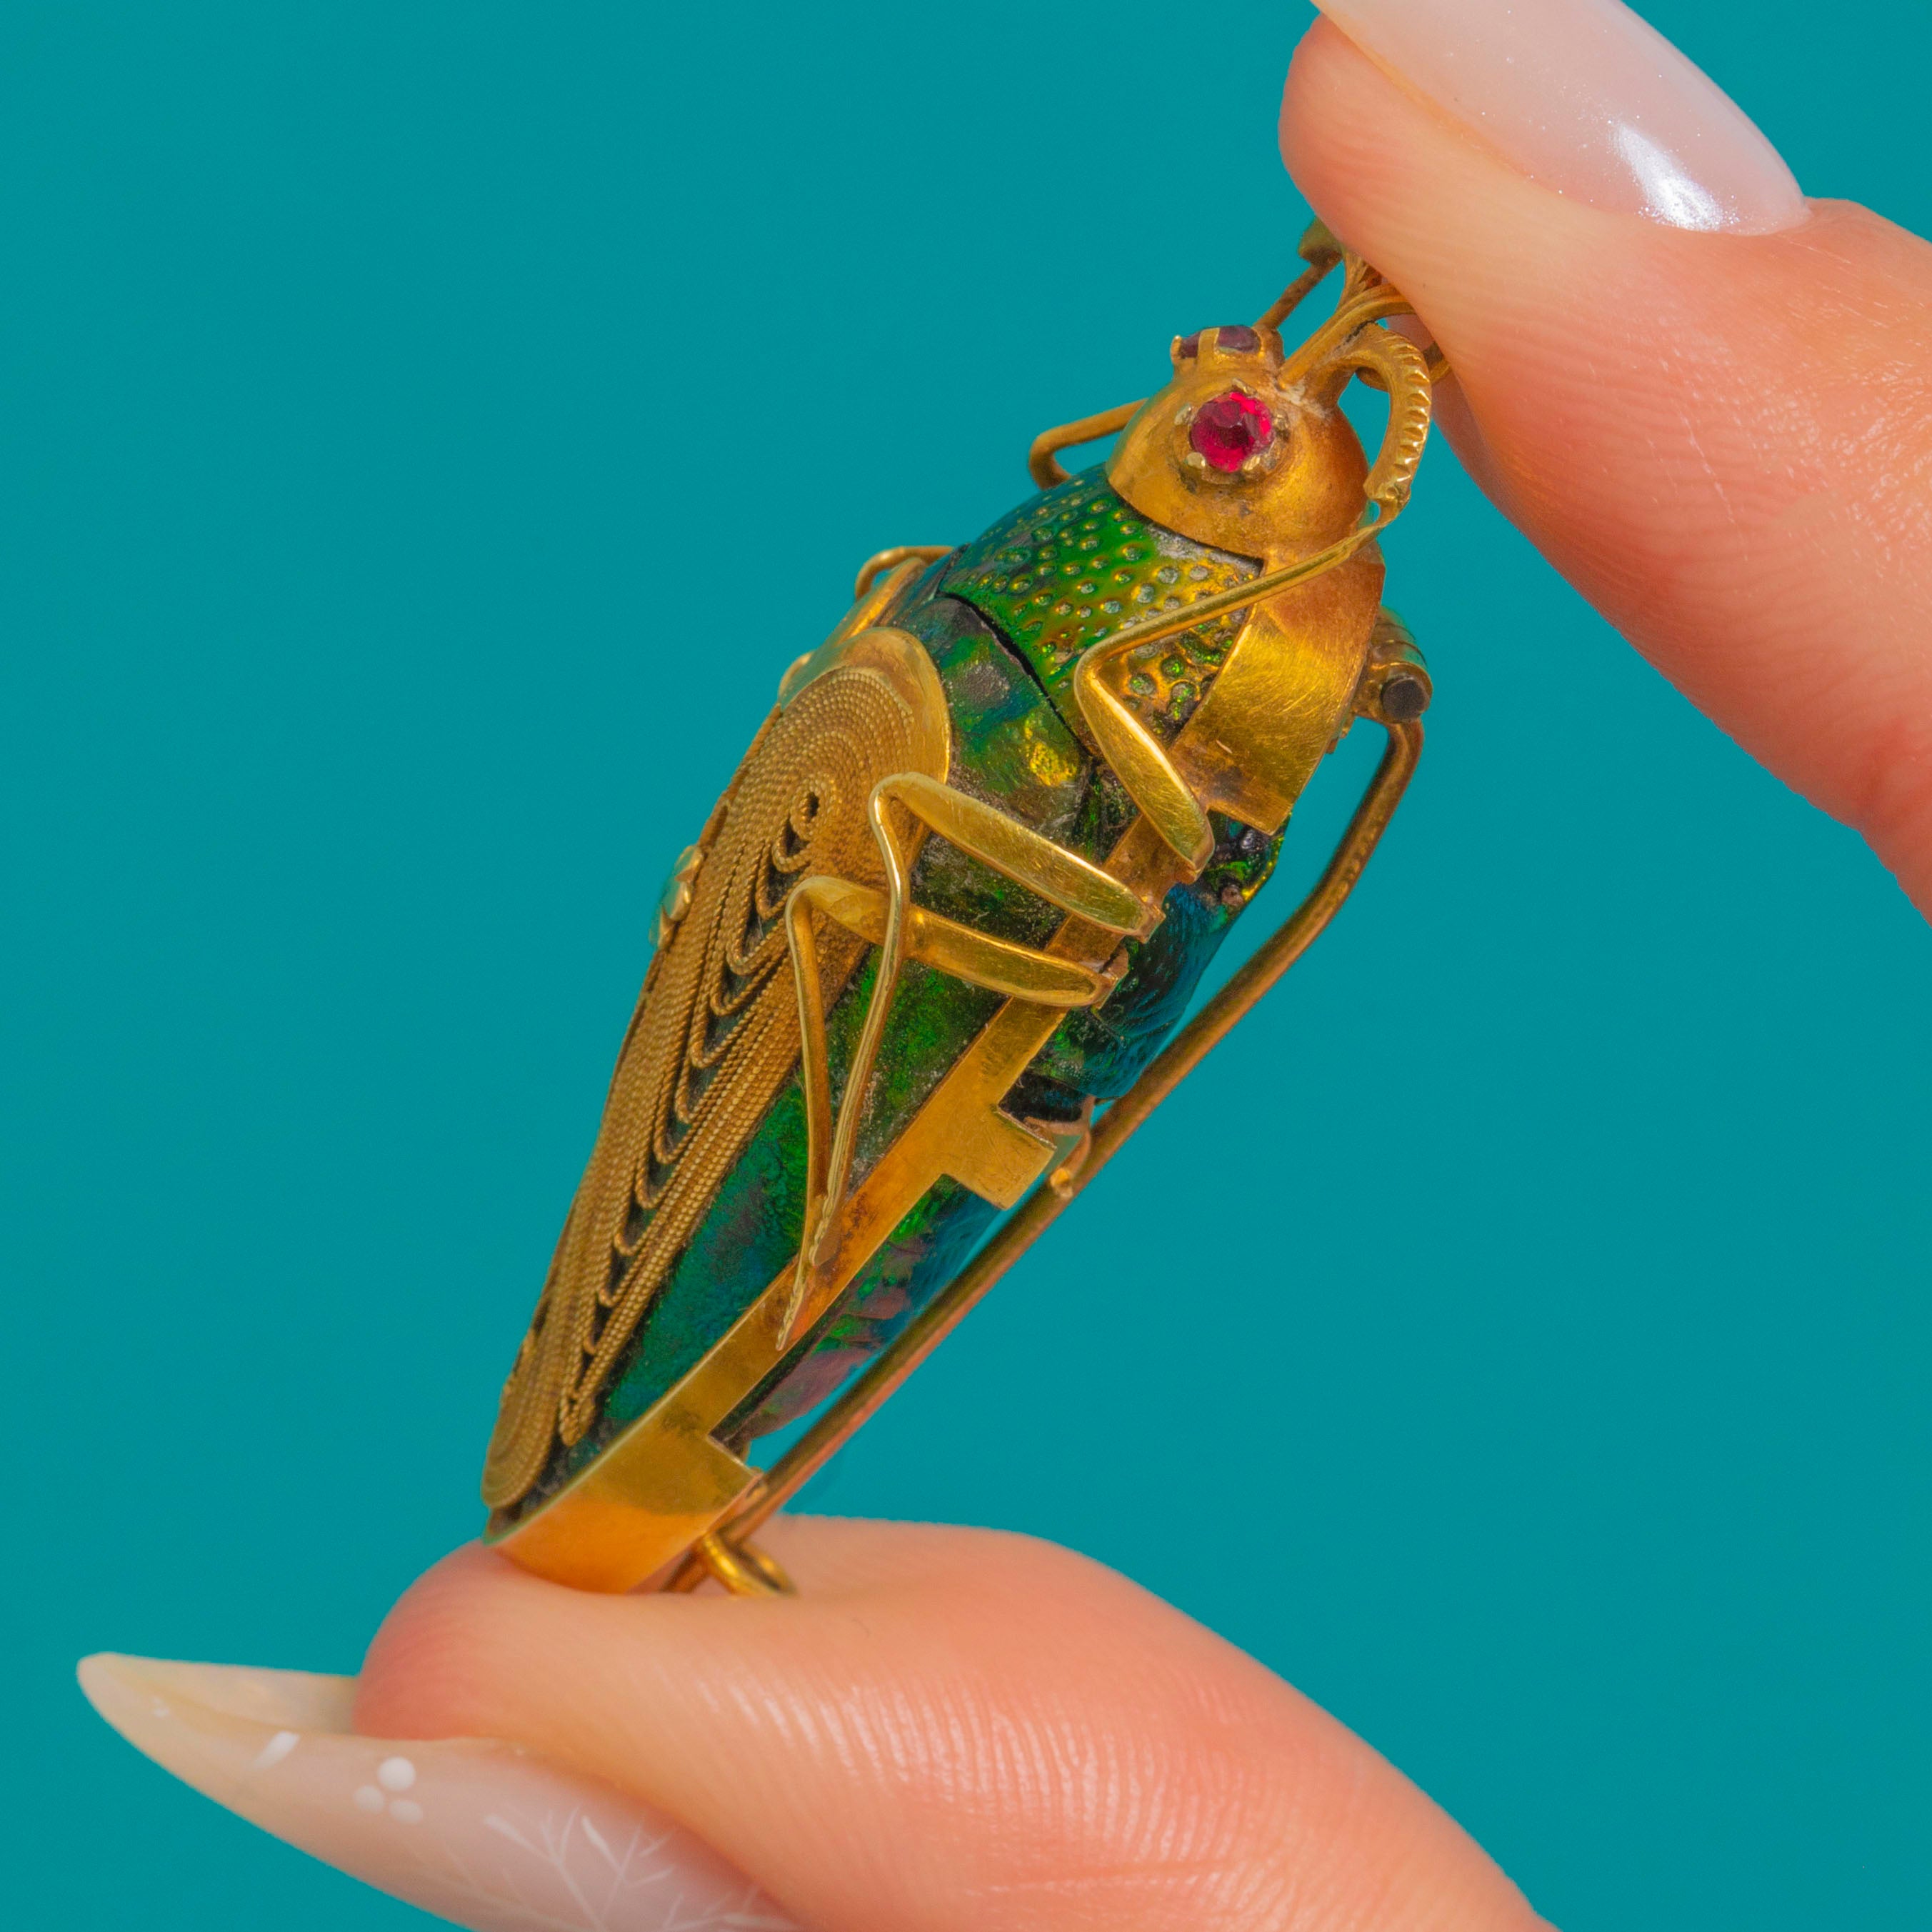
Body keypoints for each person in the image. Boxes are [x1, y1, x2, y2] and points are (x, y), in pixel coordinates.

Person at [79, 2, 1932, 1926]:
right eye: (1222, 421)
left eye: (1234, 433)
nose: (1231, 412)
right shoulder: (1059, 581)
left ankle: (690, 1379)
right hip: (892, 924)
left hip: (994, 961)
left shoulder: (1222, 651)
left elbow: (1205, 793)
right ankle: (656, 1389)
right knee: (877, 842)